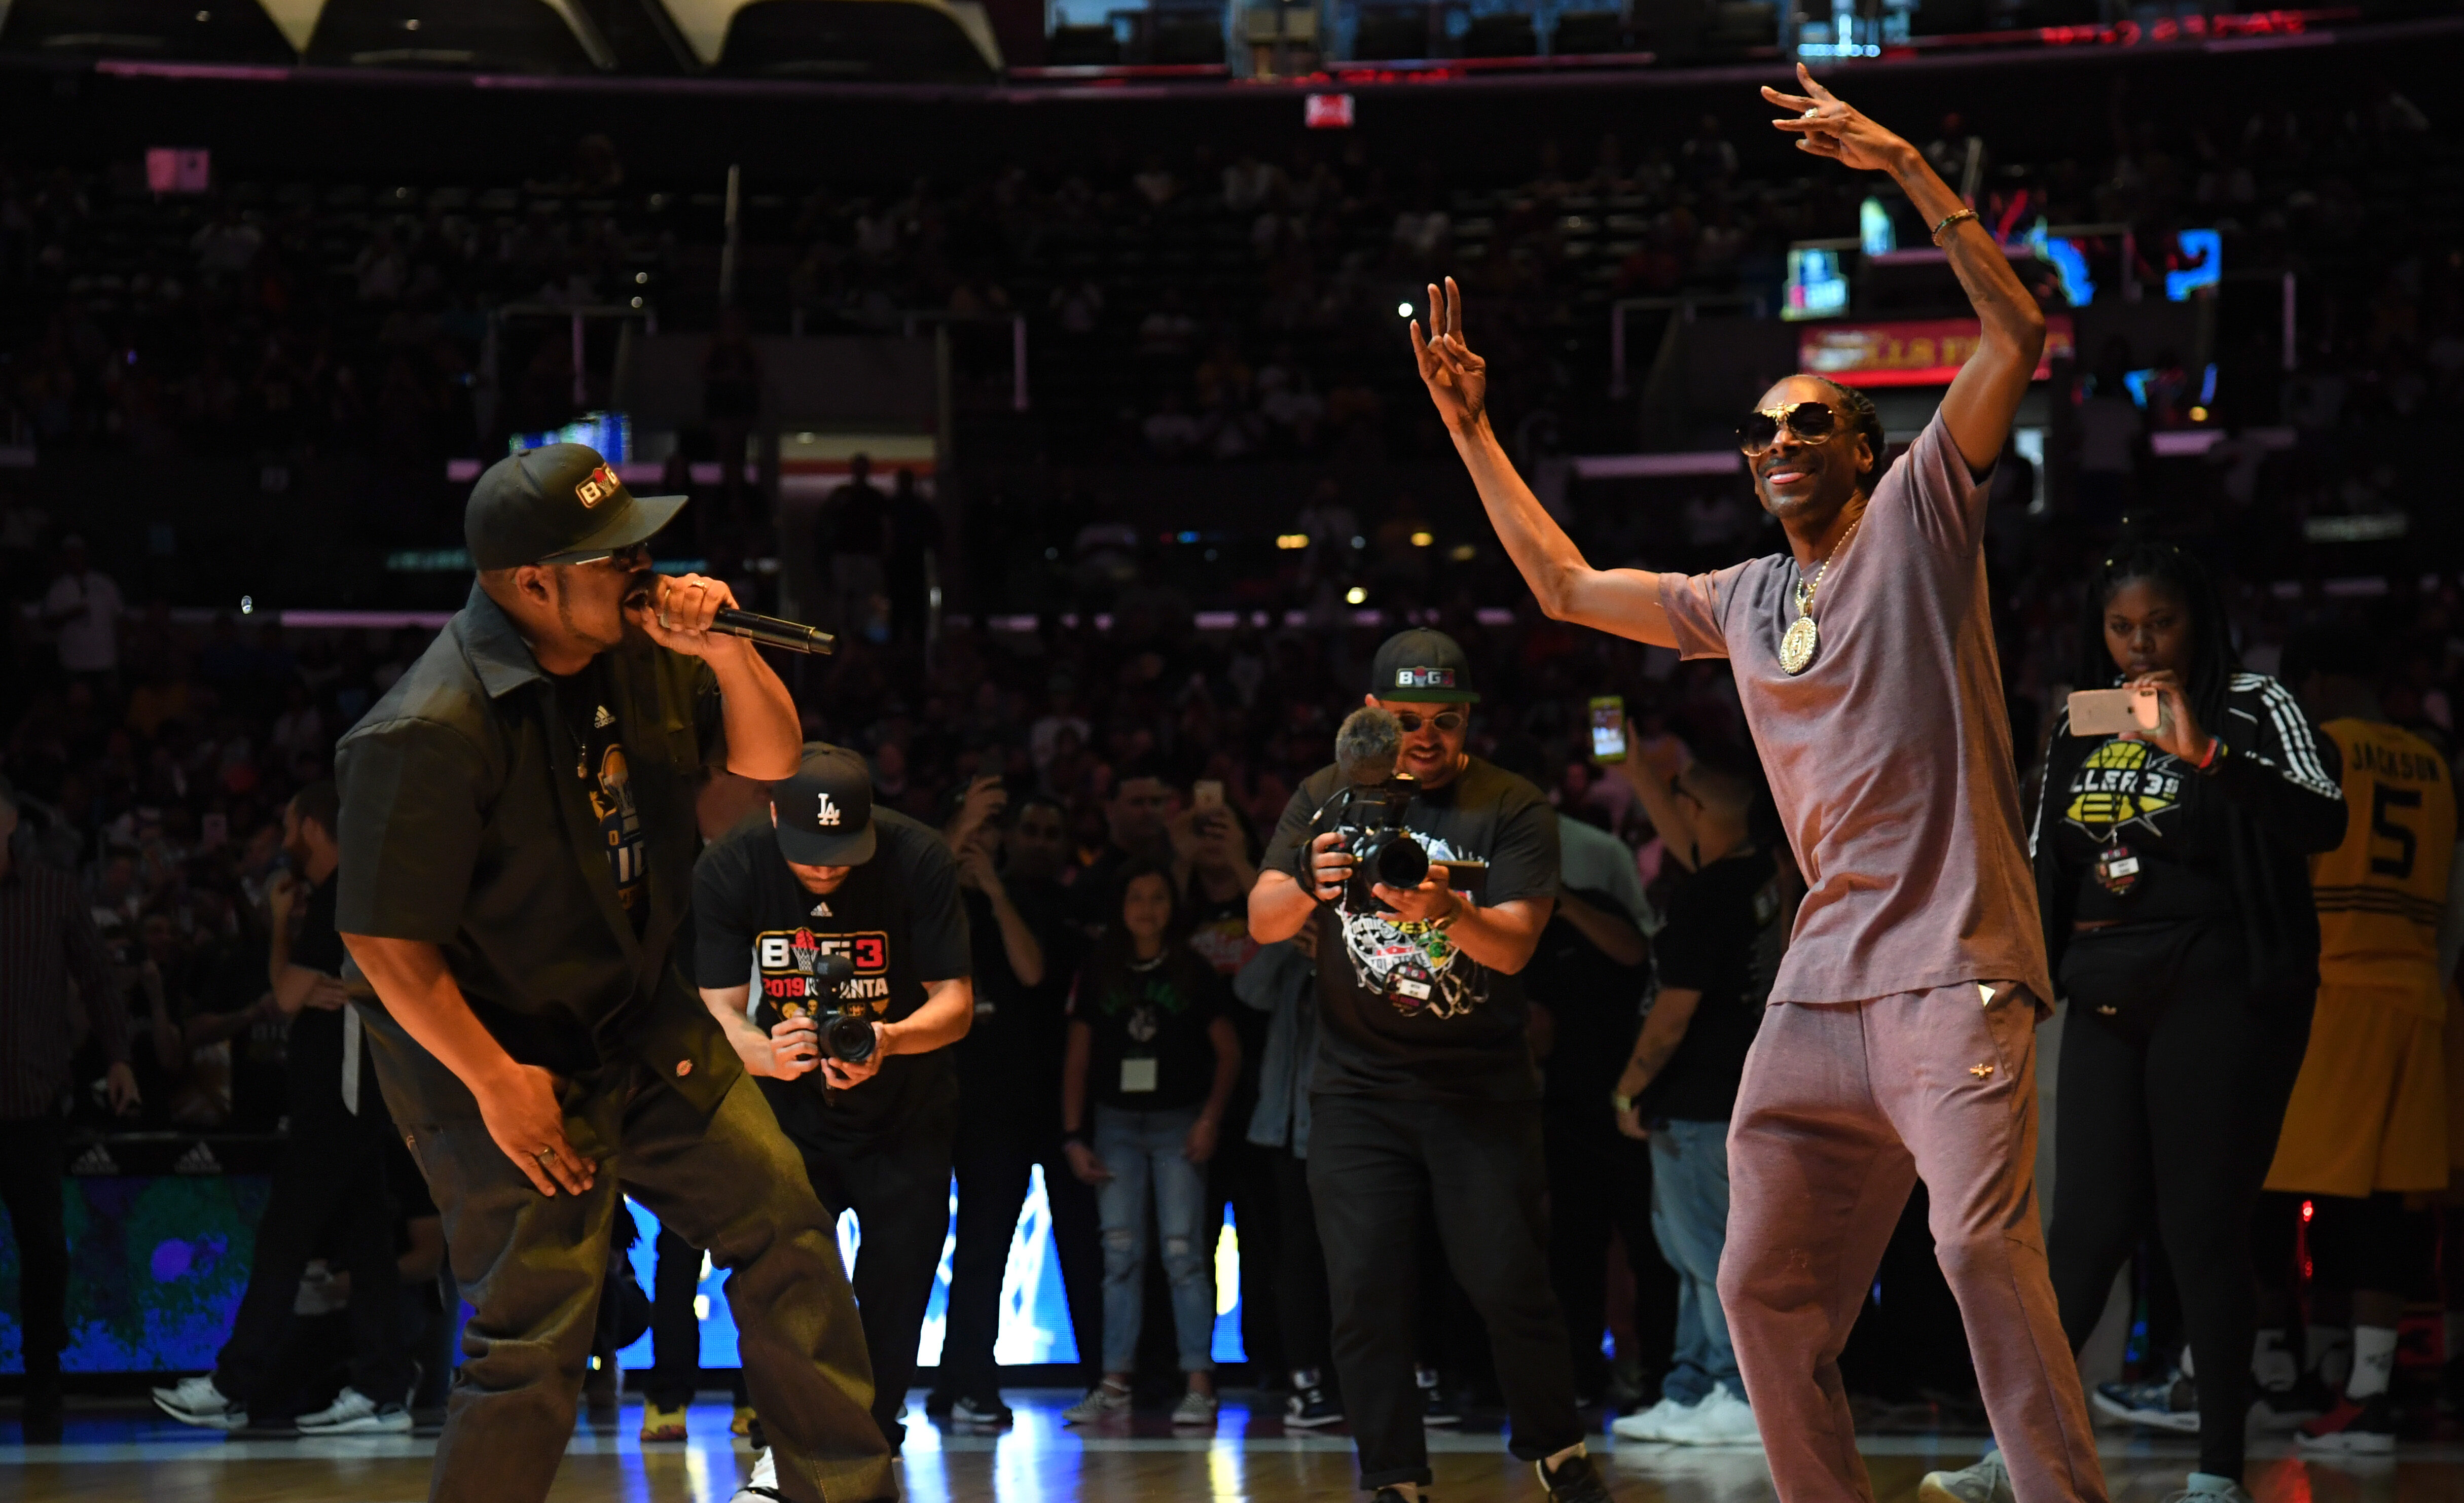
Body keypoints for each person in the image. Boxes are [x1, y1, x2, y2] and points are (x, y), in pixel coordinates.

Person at [1406, 69, 2105, 1503]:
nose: (1779, 442)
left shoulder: (1919, 512)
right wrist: (1471, 426)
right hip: (1817, 982)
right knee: (1757, 1287)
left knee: (1976, 1247)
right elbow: (1557, 582)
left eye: (1809, 425)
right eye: (1759, 432)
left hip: (1955, 966)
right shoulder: (1734, 596)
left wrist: (1904, 160)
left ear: (1861, 447)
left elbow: (2017, 327)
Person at [330, 444, 887, 1503]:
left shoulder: (638, 655)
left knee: (787, 1225)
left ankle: (844, 1488)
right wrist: (496, 1084)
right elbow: (383, 945)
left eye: (640, 544)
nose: (642, 568)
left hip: (636, 1019)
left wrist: (726, 651)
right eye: (611, 556)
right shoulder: (428, 728)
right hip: (496, 1050)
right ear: (531, 583)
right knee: (537, 1330)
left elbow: (763, 774)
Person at [1945, 545, 2341, 1503]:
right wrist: (2007, 983)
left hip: (2218, 981)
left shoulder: (2253, 700)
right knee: (2081, 1227)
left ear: (2196, 617)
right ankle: (2019, 1454)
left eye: (2157, 623)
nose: (2138, 645)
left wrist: (2205, 750)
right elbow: (2044, 863)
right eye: (2121, 627)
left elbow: (2320, 815)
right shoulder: (2085, 721)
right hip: (2102, 981)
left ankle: (2216, 1470)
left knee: (2201, 1223)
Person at [1251, 629, 1614, 1503]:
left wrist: (1447, 908)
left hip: (1479, 1086)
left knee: (1509, 1278)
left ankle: (1556, 1447)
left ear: (1467, 720)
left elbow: (1519, 945)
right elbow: (1263, 920)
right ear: (1372, 715)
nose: (1426, 737)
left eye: (1445, 721)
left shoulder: (1510, 803)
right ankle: (1395, 1476)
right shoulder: (1325, 794)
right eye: (1408, 720)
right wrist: (1308, 873)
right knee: (1366, 1285)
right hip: (1357, 1088)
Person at [694, 744, 975, 1456]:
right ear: (774, 815)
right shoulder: (730, 866)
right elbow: (718, 1009)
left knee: (898, 1283)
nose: (825, 867)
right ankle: (788, 1429)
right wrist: (764, 1052)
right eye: (811, 852)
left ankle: (874, 1436)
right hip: (787, 1115)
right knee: (784, 1280)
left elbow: (957, 1004)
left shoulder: (919, 859)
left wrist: (888, 1040)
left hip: (906, 1111)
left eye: (844, 851)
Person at [153, 782, 417, 1436]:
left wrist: (277, 928)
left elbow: (289, 994)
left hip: (342, 1093)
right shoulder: (345, 892)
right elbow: (303, 991)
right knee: (368, 1245)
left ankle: (233, 1384)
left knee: (284, 1238)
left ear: (312, 828)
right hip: (346, 1094)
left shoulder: (342, 892)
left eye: (288, 825)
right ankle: (384, 1388)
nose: (282, 837)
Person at [2257, 625, 2461, 1455]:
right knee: (2383, 1207)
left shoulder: (2320, 751)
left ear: (2313, 682)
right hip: (2415, 998)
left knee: (2268, 1193)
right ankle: (2367, 1385)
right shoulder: (2439, 764)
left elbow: (2276, 891)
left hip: (2332, 996)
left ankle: (2282, 1367)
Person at [1607, 742, 1786, 1448]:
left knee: (1709, 1251)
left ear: (1695, 810)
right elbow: (1695, 831)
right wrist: (1641, 773)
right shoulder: (1758, 874)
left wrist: (1628, 1090)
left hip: (1699, 1099)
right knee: (1691, 1250)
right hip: (1729, 1092)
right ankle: (1692, 1387)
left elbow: (1674, 1010)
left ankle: (1739, 1393)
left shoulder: (1709, 893)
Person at [931, 786, 1099, 1424]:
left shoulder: (1068, 908)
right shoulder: (956, 900)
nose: (1037, 842)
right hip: (986, 1103)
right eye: (1026, 830)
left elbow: (1031, 972)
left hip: (1061, 1103)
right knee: (981, 1250)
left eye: (1050, 833)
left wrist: (999, 896)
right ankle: (965, 1385)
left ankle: (1101, 1383)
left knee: (1086, 1251)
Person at [1059, 862, 1242, 1427]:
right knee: (1119, 1255)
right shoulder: (1100, 970)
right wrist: (1072, 1135)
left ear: (1172, 905)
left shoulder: (1193, 969)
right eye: (1136, 896)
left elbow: (1231, 1053)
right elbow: (1078, 1060)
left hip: (1177, 1122)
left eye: (1158, 896)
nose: (1147, 908)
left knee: (1184, 1254)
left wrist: (1211, 1119)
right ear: (1121, 906)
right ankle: (1113, 1382)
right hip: (1116, 1124)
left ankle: (1199, 1382)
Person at [0, 773, 135, 1444]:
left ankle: (43, 1387)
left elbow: (98, 976)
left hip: (30, 1104)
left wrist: (118, 1056)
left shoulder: (50, 893)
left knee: (46, 1253)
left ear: (7, 824)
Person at [1237, 923, 1342, 1427]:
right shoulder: (1291, 955)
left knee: (1359, 1262)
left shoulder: (1370, 943)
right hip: (1286, 1131)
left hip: (1353, 1132)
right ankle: (1306, 1380)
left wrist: (1335, 950)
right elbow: (1248, 990)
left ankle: (1366, 1379)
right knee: (1296, 1261)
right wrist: (1288, 931)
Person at [40, 536, 123, 694]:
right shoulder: (58, 588)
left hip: (105, 662)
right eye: (70, 554)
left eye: (78, 553)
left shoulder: (105, 583)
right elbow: (47, 623)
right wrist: (68, 616)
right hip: (74, 665)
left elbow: (119, 617)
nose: (75, 558)